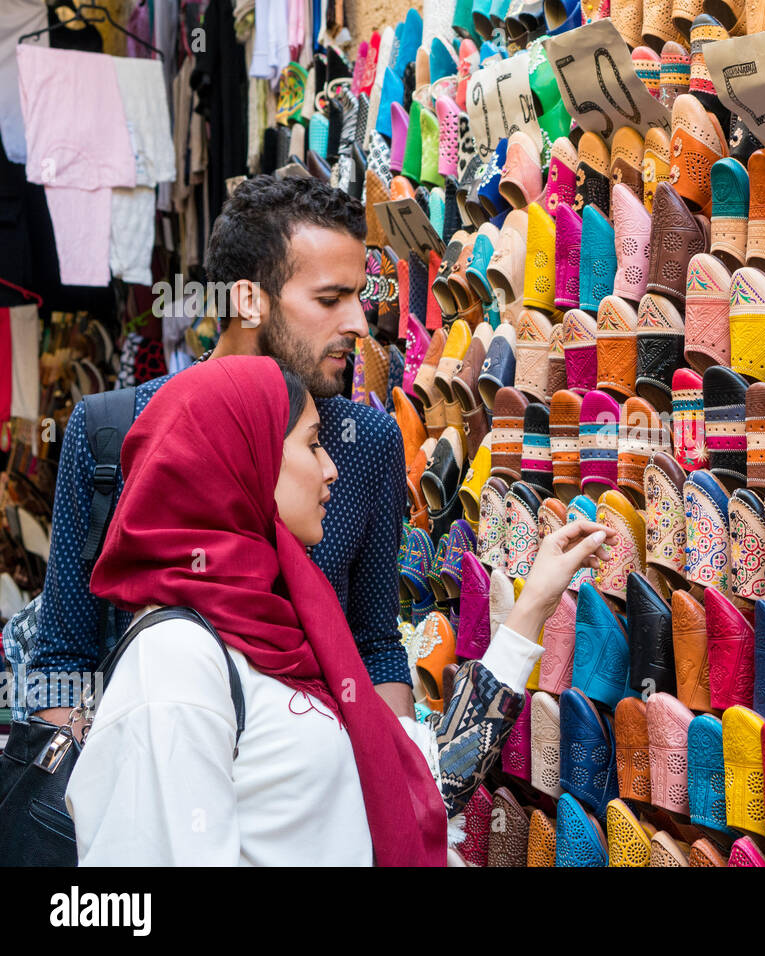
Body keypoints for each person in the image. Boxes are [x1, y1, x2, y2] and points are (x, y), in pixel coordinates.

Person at [67, 357, 614, 865]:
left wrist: (532, 610)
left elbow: (423, 780)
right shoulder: (177, 660)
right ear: (243, 462)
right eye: (311, 446)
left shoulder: (282, 629)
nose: (331, 469)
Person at [18, 175, 414, 730]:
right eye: (331, 298)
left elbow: (374, 644)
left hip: (315, 791)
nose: (357, 323)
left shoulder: (368, 443)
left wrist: (401, 782)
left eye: (358, 296)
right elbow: (63, 656)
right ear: (248, 299)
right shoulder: (113, 428)